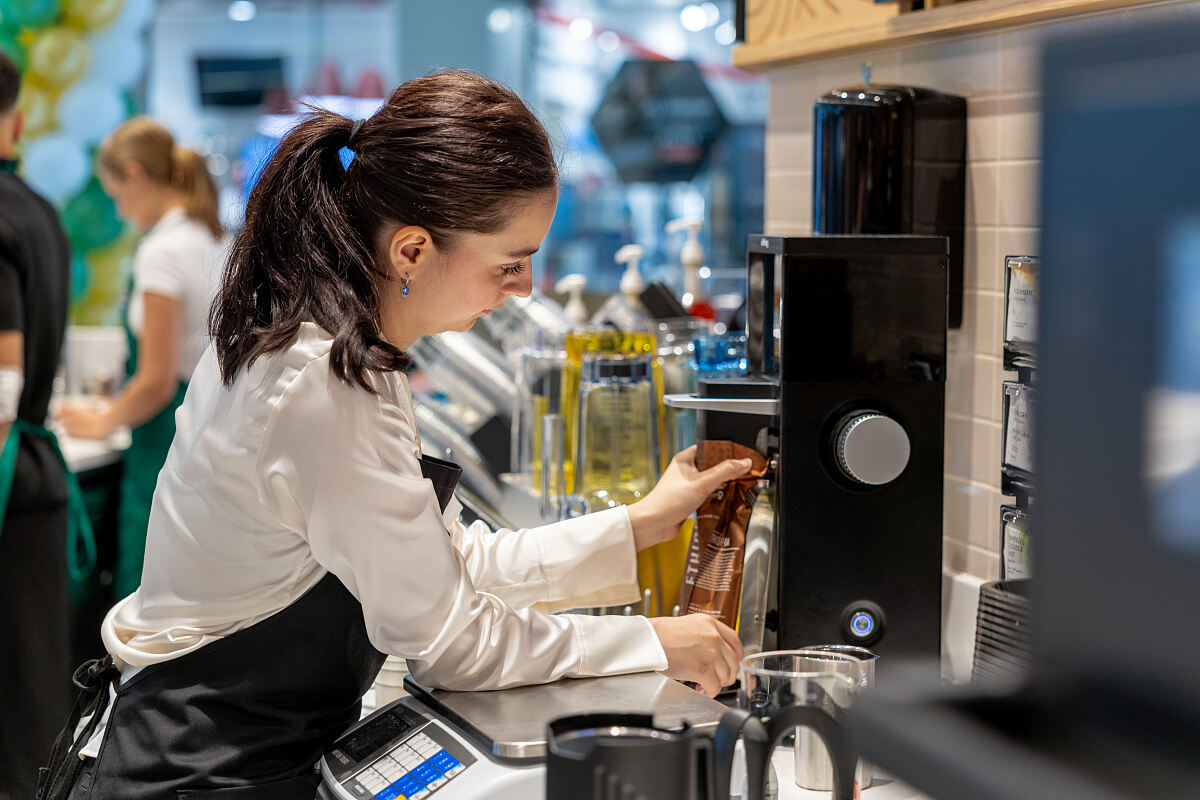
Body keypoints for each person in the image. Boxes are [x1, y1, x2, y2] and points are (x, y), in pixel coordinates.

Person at [41, 70, 749, 800]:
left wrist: (639, 525)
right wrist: (652, 643)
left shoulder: (334, 344)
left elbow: (440, 562)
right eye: (509, 263)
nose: (525, 289)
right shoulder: (323, 383)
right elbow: (452, 643)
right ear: (411, 251)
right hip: (205, 771)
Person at [57, 117, 227, 600]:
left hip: (162, 448)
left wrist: (101, 420)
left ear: (134, 175)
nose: (119, 208)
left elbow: (154, 383)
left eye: (116, 195)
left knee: (143, 600)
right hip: (207, 443)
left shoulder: (162, 252)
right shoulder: (211, 240)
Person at [0, 51, 76, 800]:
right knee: (34, 699)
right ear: (17, 119)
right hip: (36, 476)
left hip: (5, 479)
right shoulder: (39, 209)